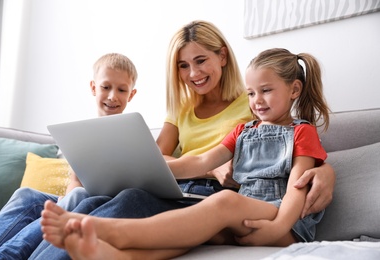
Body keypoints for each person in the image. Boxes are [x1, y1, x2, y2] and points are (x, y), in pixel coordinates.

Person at [31, 20, 335, 259]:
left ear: (294, 90)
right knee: (190, 234)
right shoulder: (242, 131)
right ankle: (114, 254)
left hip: (280, 220)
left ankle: (108, 230)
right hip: (241, 216)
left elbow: (298, 184)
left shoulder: (300, 131)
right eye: (252, 93)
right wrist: (141, 165)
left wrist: (279, 227)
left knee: (223, 201)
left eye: (264, 91)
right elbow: (201, 161)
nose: (256, 101)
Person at [0, 53, 138, 259]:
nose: (113, 96)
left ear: (131, 95)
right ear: (94, 88)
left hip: (101, 207)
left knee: (79, 195)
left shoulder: (133, 132)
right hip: (76, 200)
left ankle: (6, 255)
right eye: (106, 87)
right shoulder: (82, 133)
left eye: (121, 90)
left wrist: (71, 199)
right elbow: (75, 180)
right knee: (27, 195)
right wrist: (66, 199)